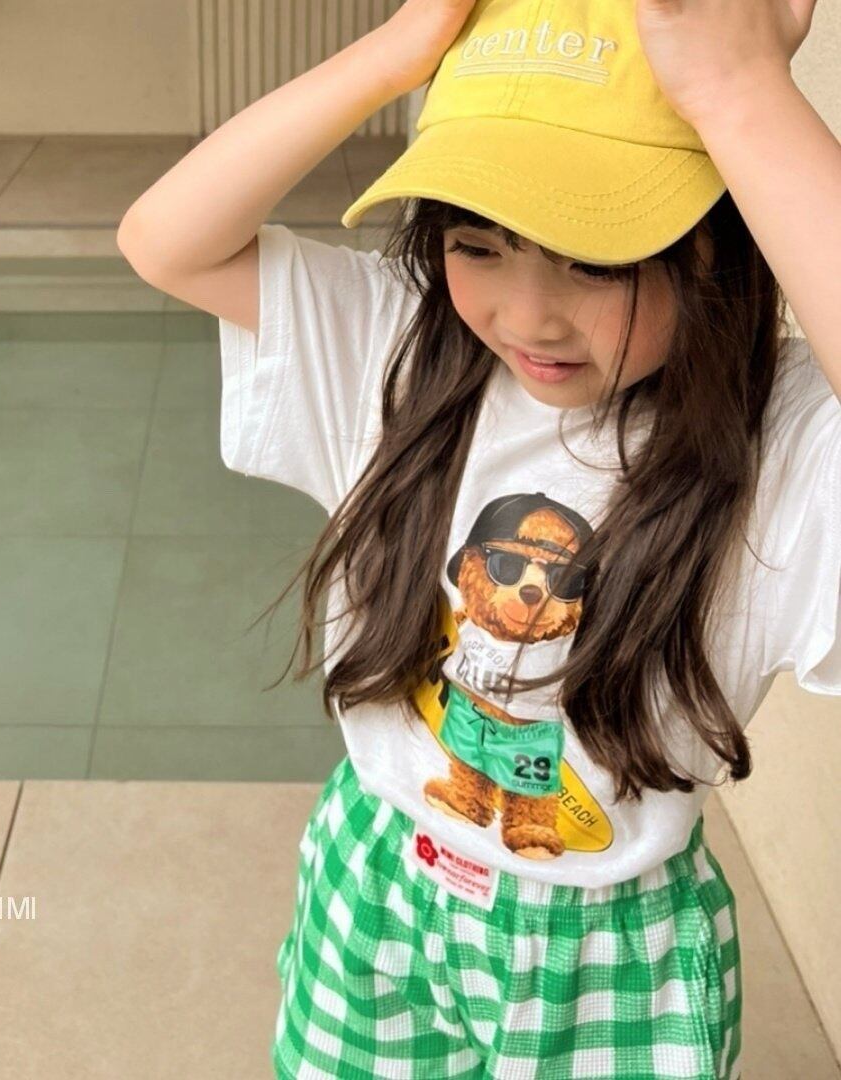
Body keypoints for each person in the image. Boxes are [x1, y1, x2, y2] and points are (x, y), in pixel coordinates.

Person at [117, 0, 840, 1075]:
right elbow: (163, 240)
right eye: (477, 245)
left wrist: (743, 96)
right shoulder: (401, 356)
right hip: (380, 872)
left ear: (713, 248)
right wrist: (403, 49)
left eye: (595, 259)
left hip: (610, 946)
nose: (527, 316)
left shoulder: (778, 449)